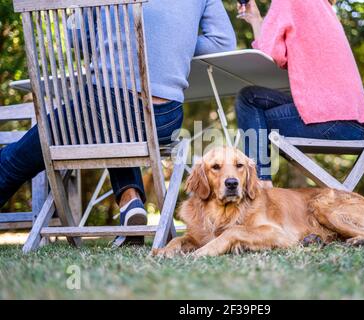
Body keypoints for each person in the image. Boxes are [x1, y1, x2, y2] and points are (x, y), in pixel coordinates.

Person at [0, 0, 236, 245]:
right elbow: (223, 41)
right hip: (165, 120)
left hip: (103, 107)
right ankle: (130, 201)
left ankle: (129, 201)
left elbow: (79, 43)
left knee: (13, 161)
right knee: (118, 128)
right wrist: (178, 41)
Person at [235, 0, 364, 188]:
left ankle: (260, 185)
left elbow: (269, 55)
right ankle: (260, 180)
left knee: (248, 106)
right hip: (353, 121)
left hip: (334, 121)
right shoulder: (320, 4)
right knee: (251, 98)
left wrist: (257, 22)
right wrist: (256, 19)